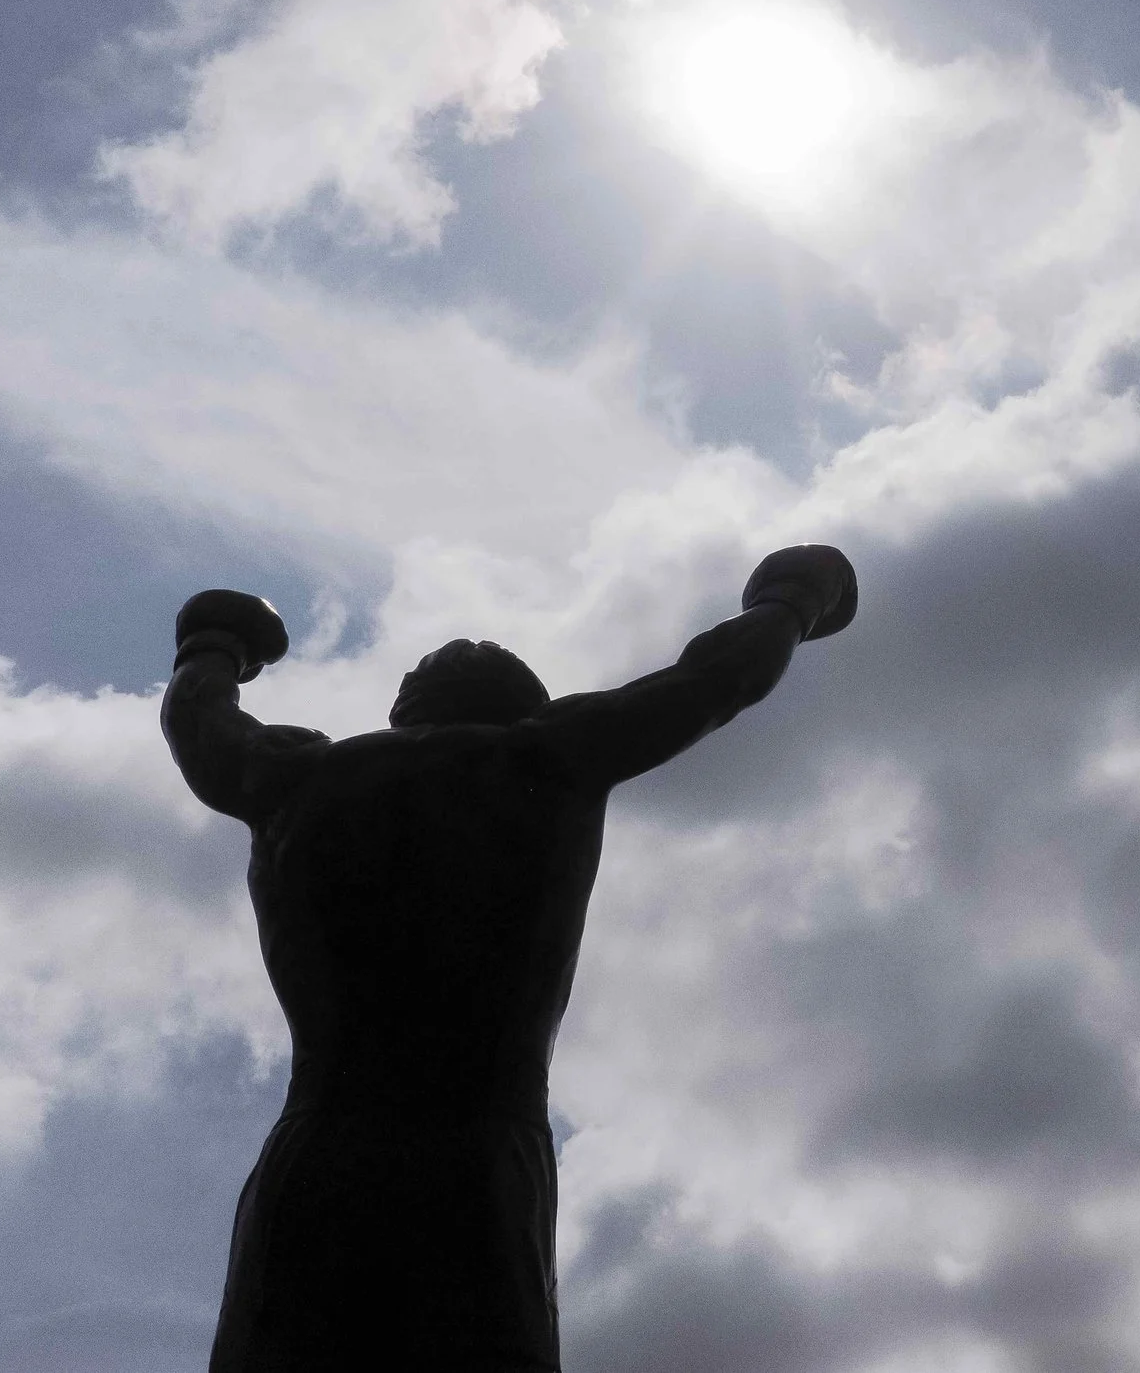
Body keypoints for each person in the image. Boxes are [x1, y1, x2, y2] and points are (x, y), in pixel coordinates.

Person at [161, 544, 857, 1373]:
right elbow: (714, 680)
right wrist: (791, 601)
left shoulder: (292, 777)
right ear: (525, 710)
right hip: (477, 1159)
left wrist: (214, 642)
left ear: (402, 710)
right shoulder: (549, 758)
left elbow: (196, 719)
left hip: (320, 1154)